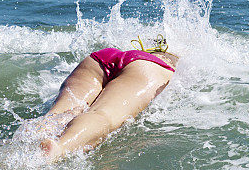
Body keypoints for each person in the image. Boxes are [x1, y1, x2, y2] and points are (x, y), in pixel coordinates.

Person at [40, 36, 178, 161]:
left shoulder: (157, 44)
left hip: (105, 57)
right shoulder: (187, 56)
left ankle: (37, 132)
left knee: (59, 112)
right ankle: (60, 147)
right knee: (102, 115)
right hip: (148, 68)